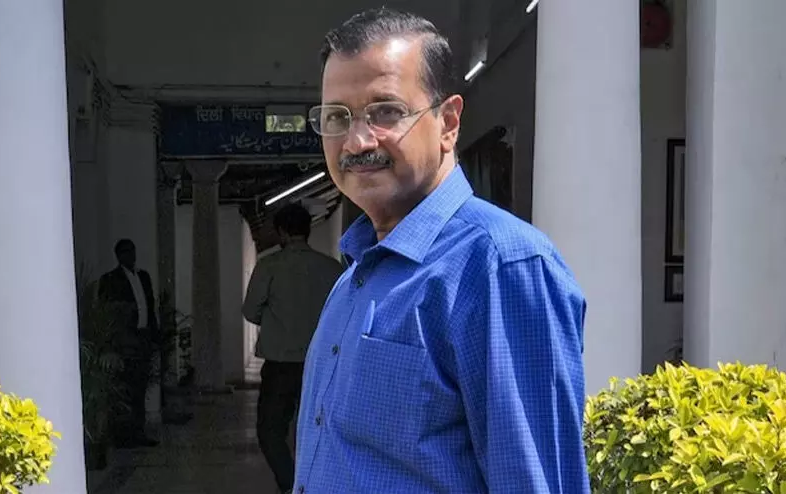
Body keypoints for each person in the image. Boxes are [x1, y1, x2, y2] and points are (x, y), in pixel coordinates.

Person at [293, 8, 590, 493]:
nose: (357, 141)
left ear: (448, 122)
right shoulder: (356, 275)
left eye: (385, 111)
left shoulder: (500, 267)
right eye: (336, 117)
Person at [242, 203, 344, 494]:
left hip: (280, 362)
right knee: (319, 429)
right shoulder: (332, 268)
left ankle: (290, 485)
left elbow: (250, 311)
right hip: (322, 363)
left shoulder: (269, 266)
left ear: (282, 232)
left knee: (271, 429)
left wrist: (276, 319)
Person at [97, 238, 160, 448]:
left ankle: (139, 432)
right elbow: (107, 312)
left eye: (132, 251)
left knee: (140, 387)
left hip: (143, 338)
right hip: (125, 342)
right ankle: (123, 435)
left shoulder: (143, 277)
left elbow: (150, 306)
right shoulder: (110, 279)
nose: (130, 256)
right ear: (118, 256)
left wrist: (154, 336)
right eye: (125, 252)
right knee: (125, 389)